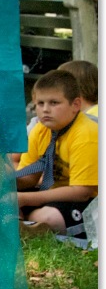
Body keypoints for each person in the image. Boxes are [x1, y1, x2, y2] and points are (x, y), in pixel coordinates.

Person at [16, 70, 97, 236]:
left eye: (54, 103)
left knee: (50, 217)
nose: (45, 110)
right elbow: (30, 177)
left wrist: (23, 199)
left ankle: (28, 224)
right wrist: (2, 184)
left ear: (75, 105)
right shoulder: (40, 130)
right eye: (40, 103)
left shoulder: (87, 134)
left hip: (90, 201)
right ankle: (28, 225)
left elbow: (82, 192)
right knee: (1, 201)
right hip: (53, 194)